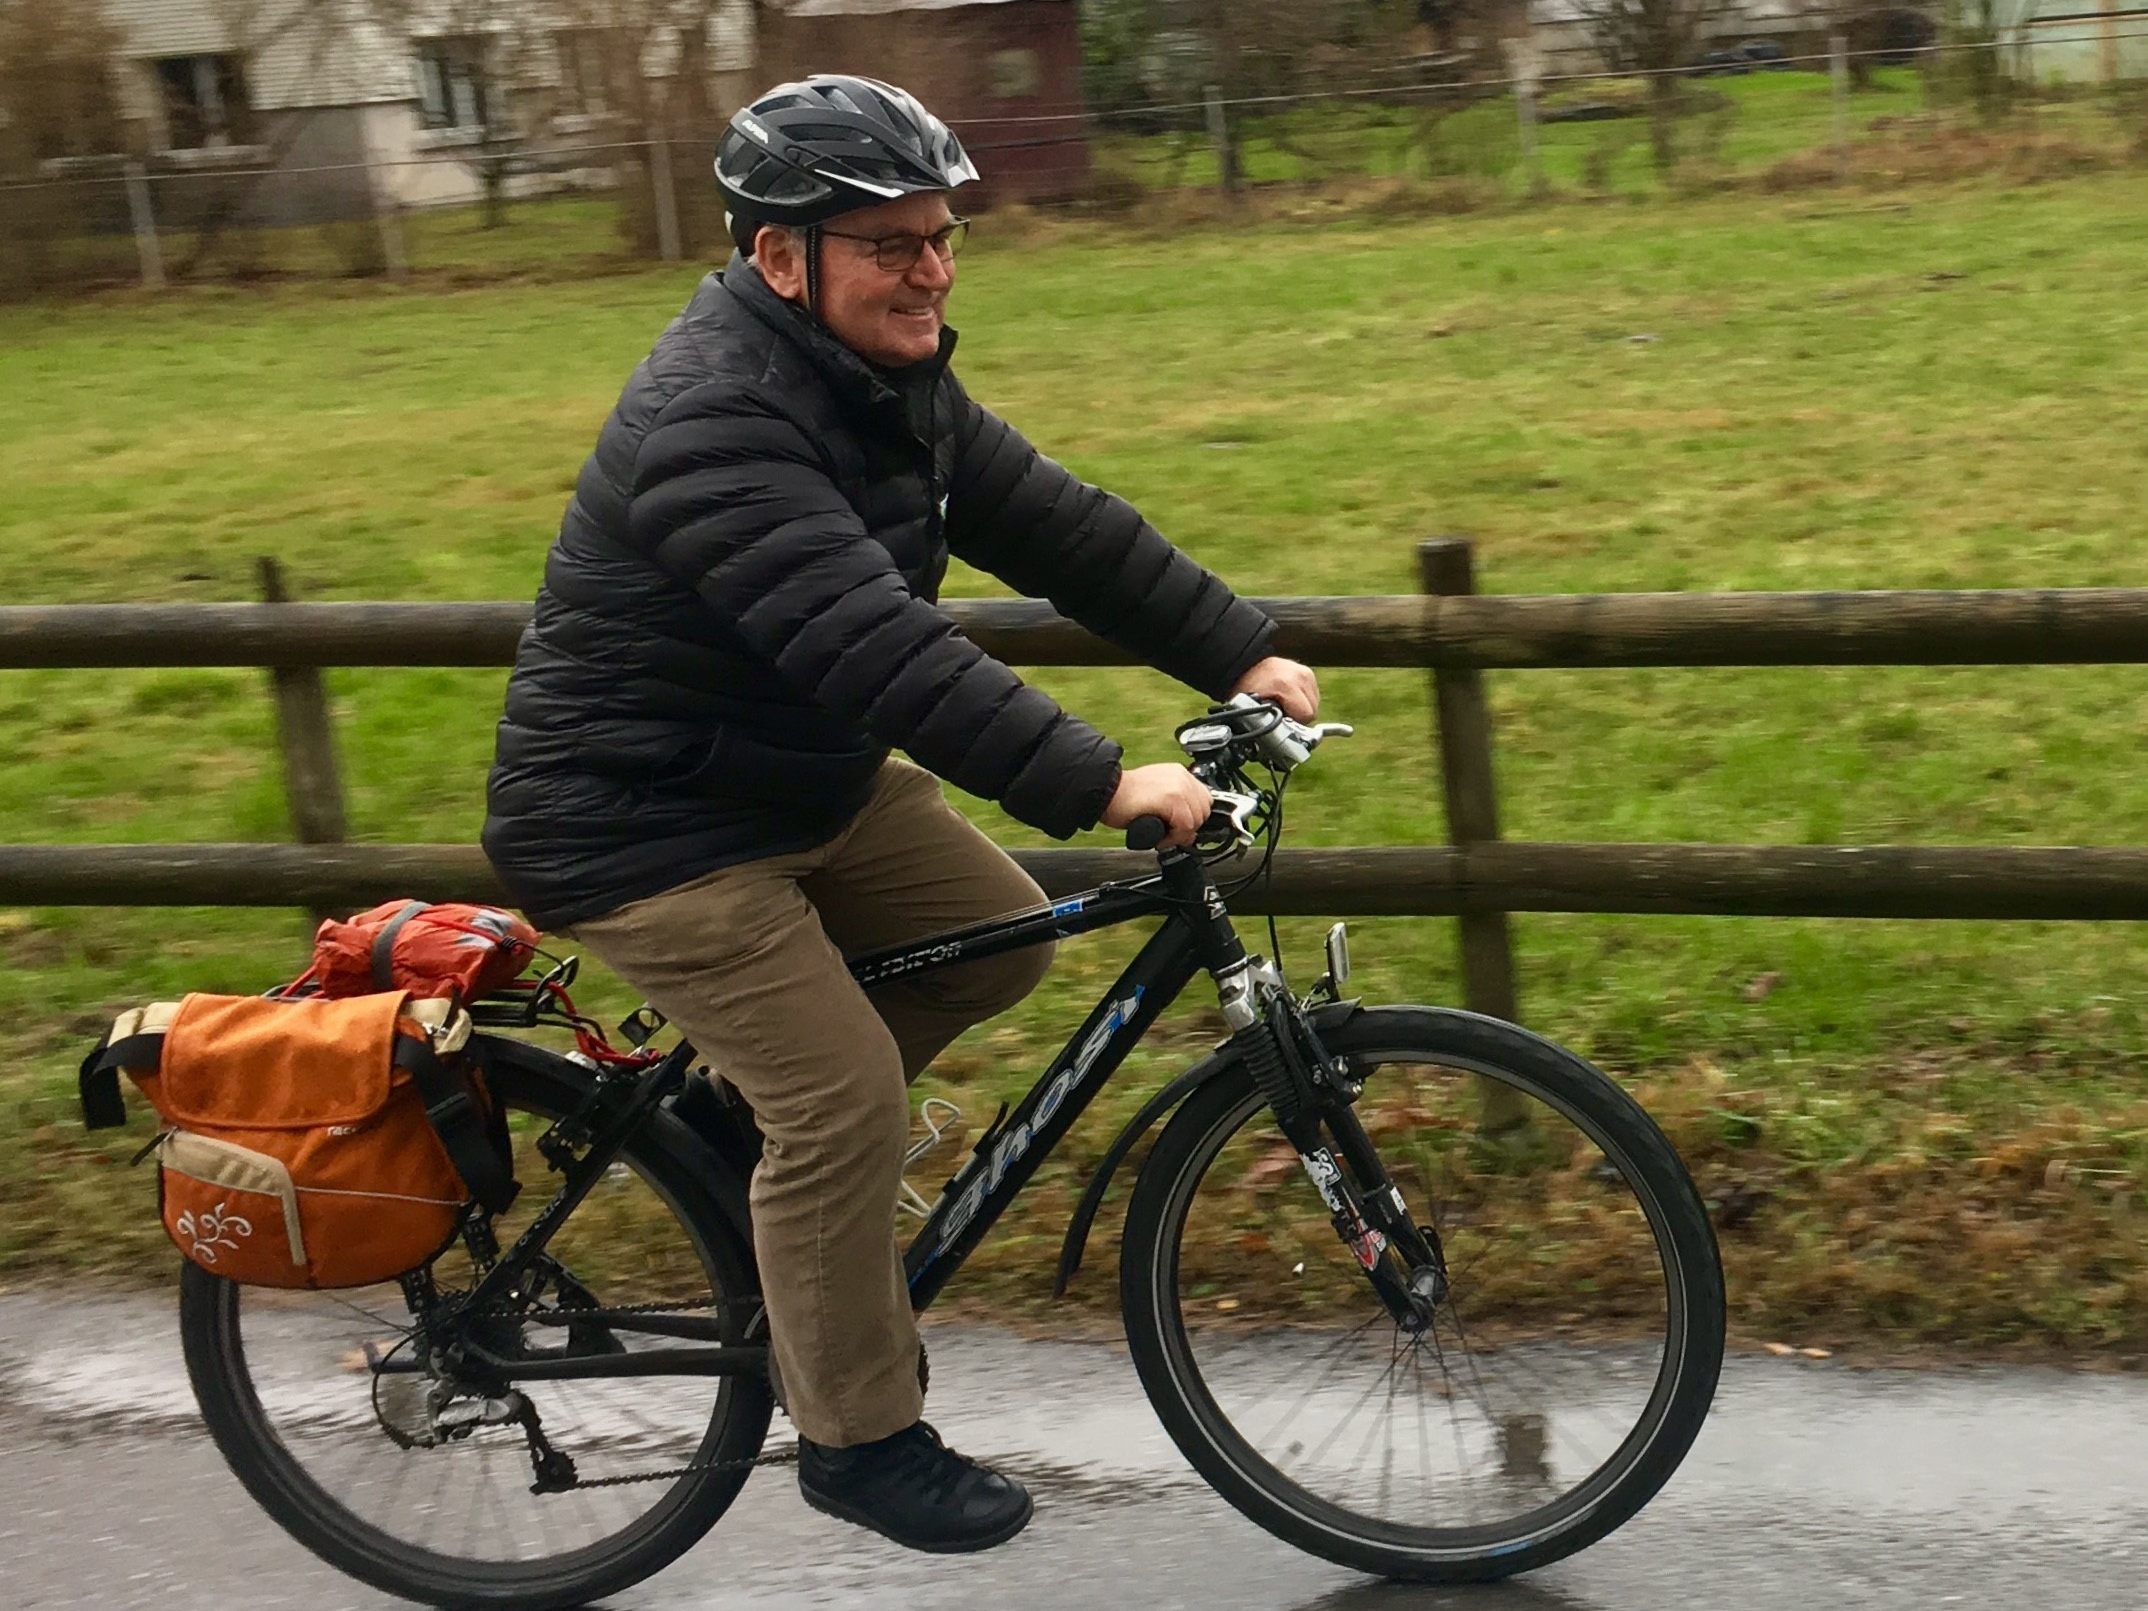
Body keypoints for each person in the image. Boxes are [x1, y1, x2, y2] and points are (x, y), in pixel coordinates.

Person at [481, 74, 1318, 1554]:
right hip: (642, 824)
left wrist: (1236, 645)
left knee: (995, 938)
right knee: (844, 1098)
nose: (932, 268)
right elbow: (878, 644)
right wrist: (1103, 781)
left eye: (941, 237)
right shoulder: (713, 422)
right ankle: (861, 1439)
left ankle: (720, 1140)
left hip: (793, 778)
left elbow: (1056, 524)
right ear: (777, 258)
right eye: (892, 243)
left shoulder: (886, 382)